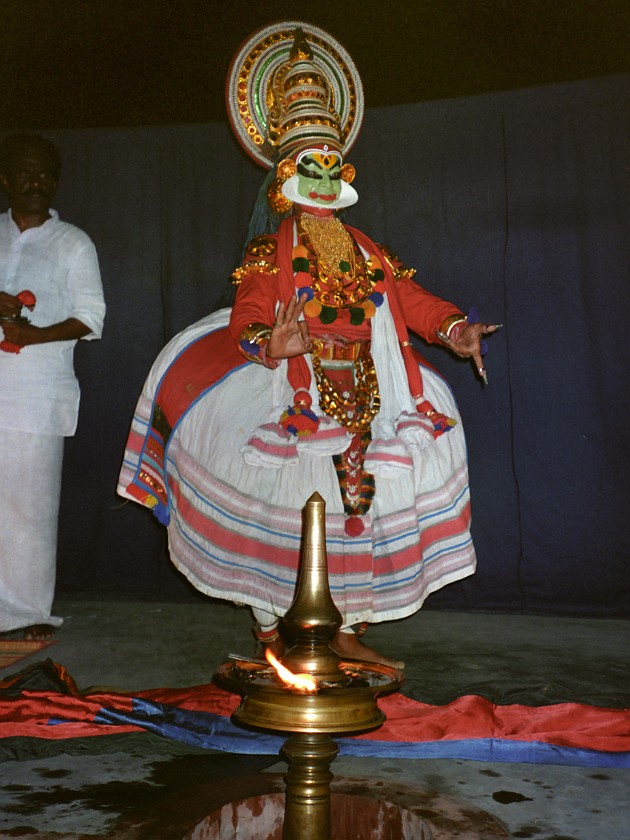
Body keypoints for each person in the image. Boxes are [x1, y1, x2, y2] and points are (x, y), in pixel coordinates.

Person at [118, 23, 497, 669]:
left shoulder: (366, 246)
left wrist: (454, 330)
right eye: (309, 165)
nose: (322, 176)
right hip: (290, 389)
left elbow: (409, 299)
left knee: (367, 501)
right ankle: (269, 633)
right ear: (288, 177)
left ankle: (344, 626)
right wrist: (276, 340)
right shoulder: (272, 251)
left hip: (370, 390)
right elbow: (248, 316)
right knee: (287, 509)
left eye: (331, 163)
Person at [0, 133, 105, 640]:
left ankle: (25, 616)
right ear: (6, 180)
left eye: (45, 174)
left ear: (56, 183)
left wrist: (32, 334)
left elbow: (91, 316)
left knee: (28, 511)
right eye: (25, 172)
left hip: (36, 396)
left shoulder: (73, 243)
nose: (35, 181)